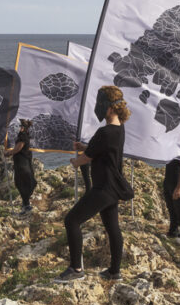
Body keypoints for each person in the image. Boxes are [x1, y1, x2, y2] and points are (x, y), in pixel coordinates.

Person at [56, 85, 131, 283]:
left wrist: (75, 160)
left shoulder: (104, 132)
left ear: (110, 108)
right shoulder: (119, 128)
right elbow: (102, 149)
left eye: (100, 103)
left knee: (71, 221)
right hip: (113, 187)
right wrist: (85, 147)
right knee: (112, 227)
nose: (97, 107)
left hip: (103, 188)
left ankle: (76, 268)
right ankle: (114, 272)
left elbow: (85, 159)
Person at [4, 119, 37, 216]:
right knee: (27, 182)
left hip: (22, 163)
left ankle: (26, 205)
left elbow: (18, 147)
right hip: (25, 161)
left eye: (18, 126)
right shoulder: (25, 134)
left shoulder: (22, 135)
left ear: (22, 127)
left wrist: (8, 153)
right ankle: (25, 204)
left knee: (22, 183)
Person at [163, 158, 180, 240]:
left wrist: (179, 187)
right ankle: (173, 232)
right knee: (171, 207)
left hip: (176, 182)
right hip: (168, 181)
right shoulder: (171, 147)